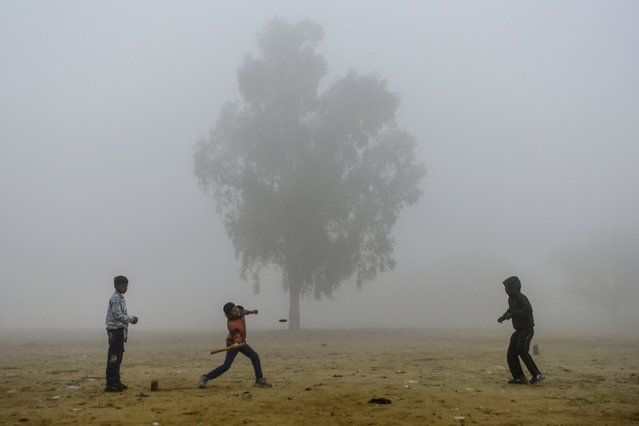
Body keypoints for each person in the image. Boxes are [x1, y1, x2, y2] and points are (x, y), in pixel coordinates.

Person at [198, 302, 272, 389]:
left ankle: (259, 380)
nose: (236, 310)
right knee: (226, 366)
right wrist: (237, 343)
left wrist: (252, 312)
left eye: (235, 308)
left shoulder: (240, 311)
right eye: (233, 311)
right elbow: (236, 335)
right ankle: (205, 377)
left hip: (242, 343)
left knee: (255, 356)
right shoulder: (231, 324)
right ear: (230, 314)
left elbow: (244, 311)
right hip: (233, 344)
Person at [498, 275, 545, 384]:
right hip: (518, 331)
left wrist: (512, 314)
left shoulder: (520, 297)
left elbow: (528, 309)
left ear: (515, 287)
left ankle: (537, 374)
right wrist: (504, 316)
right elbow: (511, 310)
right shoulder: (511, 299)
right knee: (511, 354)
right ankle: (519, 377)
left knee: (522, 350)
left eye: (508, 287)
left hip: (527, 329)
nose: (506, 290)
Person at [104, 275, 139, 392]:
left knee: (118, 356)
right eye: (124, 286)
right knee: (114, 357)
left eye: (127, 286)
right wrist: (131, 319)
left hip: (119, 330)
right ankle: (111, 384)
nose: (126, 288)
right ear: (116, 286)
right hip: (114, 330)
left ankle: (116, 381)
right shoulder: (115, 299)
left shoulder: (121, 298)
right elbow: (117, 315)